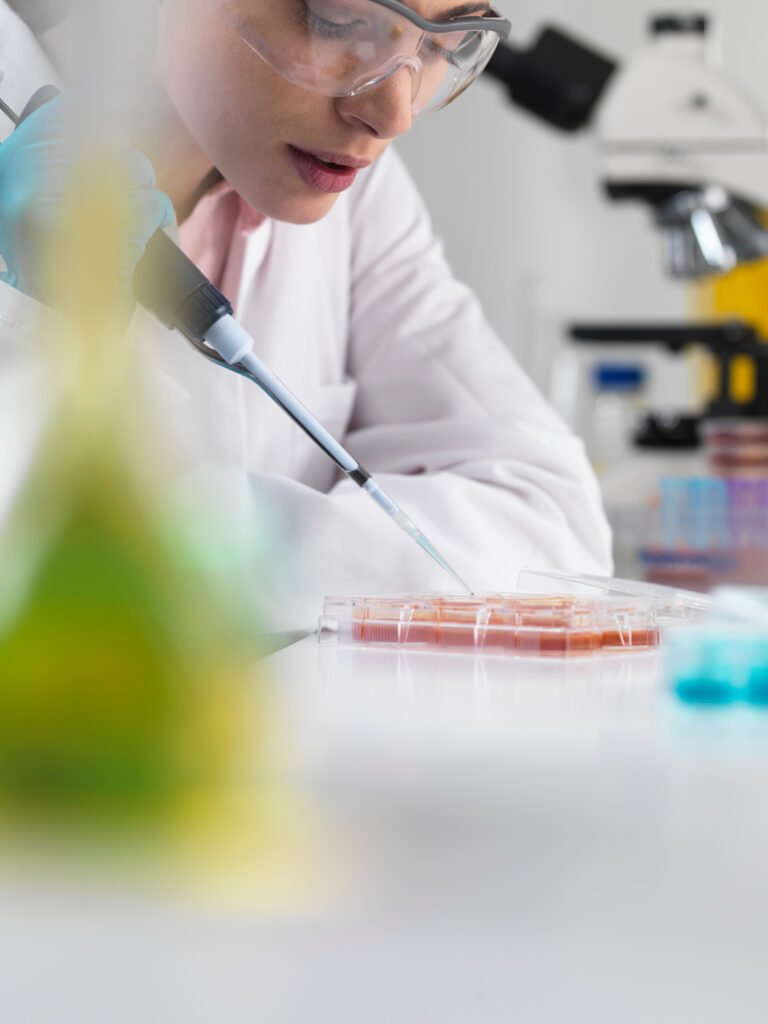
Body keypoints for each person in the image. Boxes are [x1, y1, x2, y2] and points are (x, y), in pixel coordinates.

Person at [0, 0, 612, 628]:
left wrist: (175, 548)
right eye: (337, 22)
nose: (392, 115)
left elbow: (552, 524)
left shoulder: (342, 181)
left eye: (444, 44)